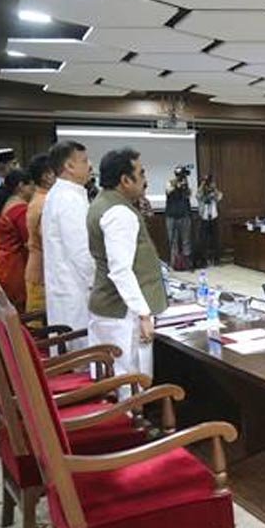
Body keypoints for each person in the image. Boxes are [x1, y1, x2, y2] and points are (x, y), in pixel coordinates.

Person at [86, 148, 167, 399]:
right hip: (123, 313)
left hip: (110, 307)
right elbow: (120, 270)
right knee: (130, 382)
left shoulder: (102, 202)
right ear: (125, 180)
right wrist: (143, 314)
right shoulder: (119, 213)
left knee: (116, 380)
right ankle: (133, 420)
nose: (145, 179)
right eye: (141, 173)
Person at [43, 140, 94, 348]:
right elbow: (81, 252)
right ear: (69, 166)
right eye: (84, 161)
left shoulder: (64, 193)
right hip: (75, 290)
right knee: (80, 351)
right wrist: (101, 283)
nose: (90, 165)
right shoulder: (68, 198)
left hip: (67, 287)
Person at [0, 169, 36, 311]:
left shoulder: (8, 204)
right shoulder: (20, 210)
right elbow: (29, 240)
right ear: (21, 186)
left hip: (2, 264)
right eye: (31, 186)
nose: (33, 191)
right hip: (14, 267)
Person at [24, 154, 55, 314]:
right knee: (39, 323)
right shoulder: (44, 202)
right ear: (46, 176)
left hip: (40, 269)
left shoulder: (41, 198)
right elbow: (48, 238)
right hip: (40, 273)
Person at [164, 166, 192, 270]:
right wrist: (177, 185)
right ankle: (174, 263)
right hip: (171, 216)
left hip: (184, 215)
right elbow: (168, 191)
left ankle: (187, 263)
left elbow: (189, 194)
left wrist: (184, 187)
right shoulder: (170, 183)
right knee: (173, 241)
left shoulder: (185, 185)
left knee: (186, 240)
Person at [197, 174, 223, 266]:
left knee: (215, 239)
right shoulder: (201, 192)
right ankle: (204, 260)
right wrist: (202, 185)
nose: (208, 185)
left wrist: (214, 189)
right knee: (203, 241)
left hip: (213, 217)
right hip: (204, 218)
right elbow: (197, 196)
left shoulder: (213, 192)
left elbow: (220, 196)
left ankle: (216, 259)